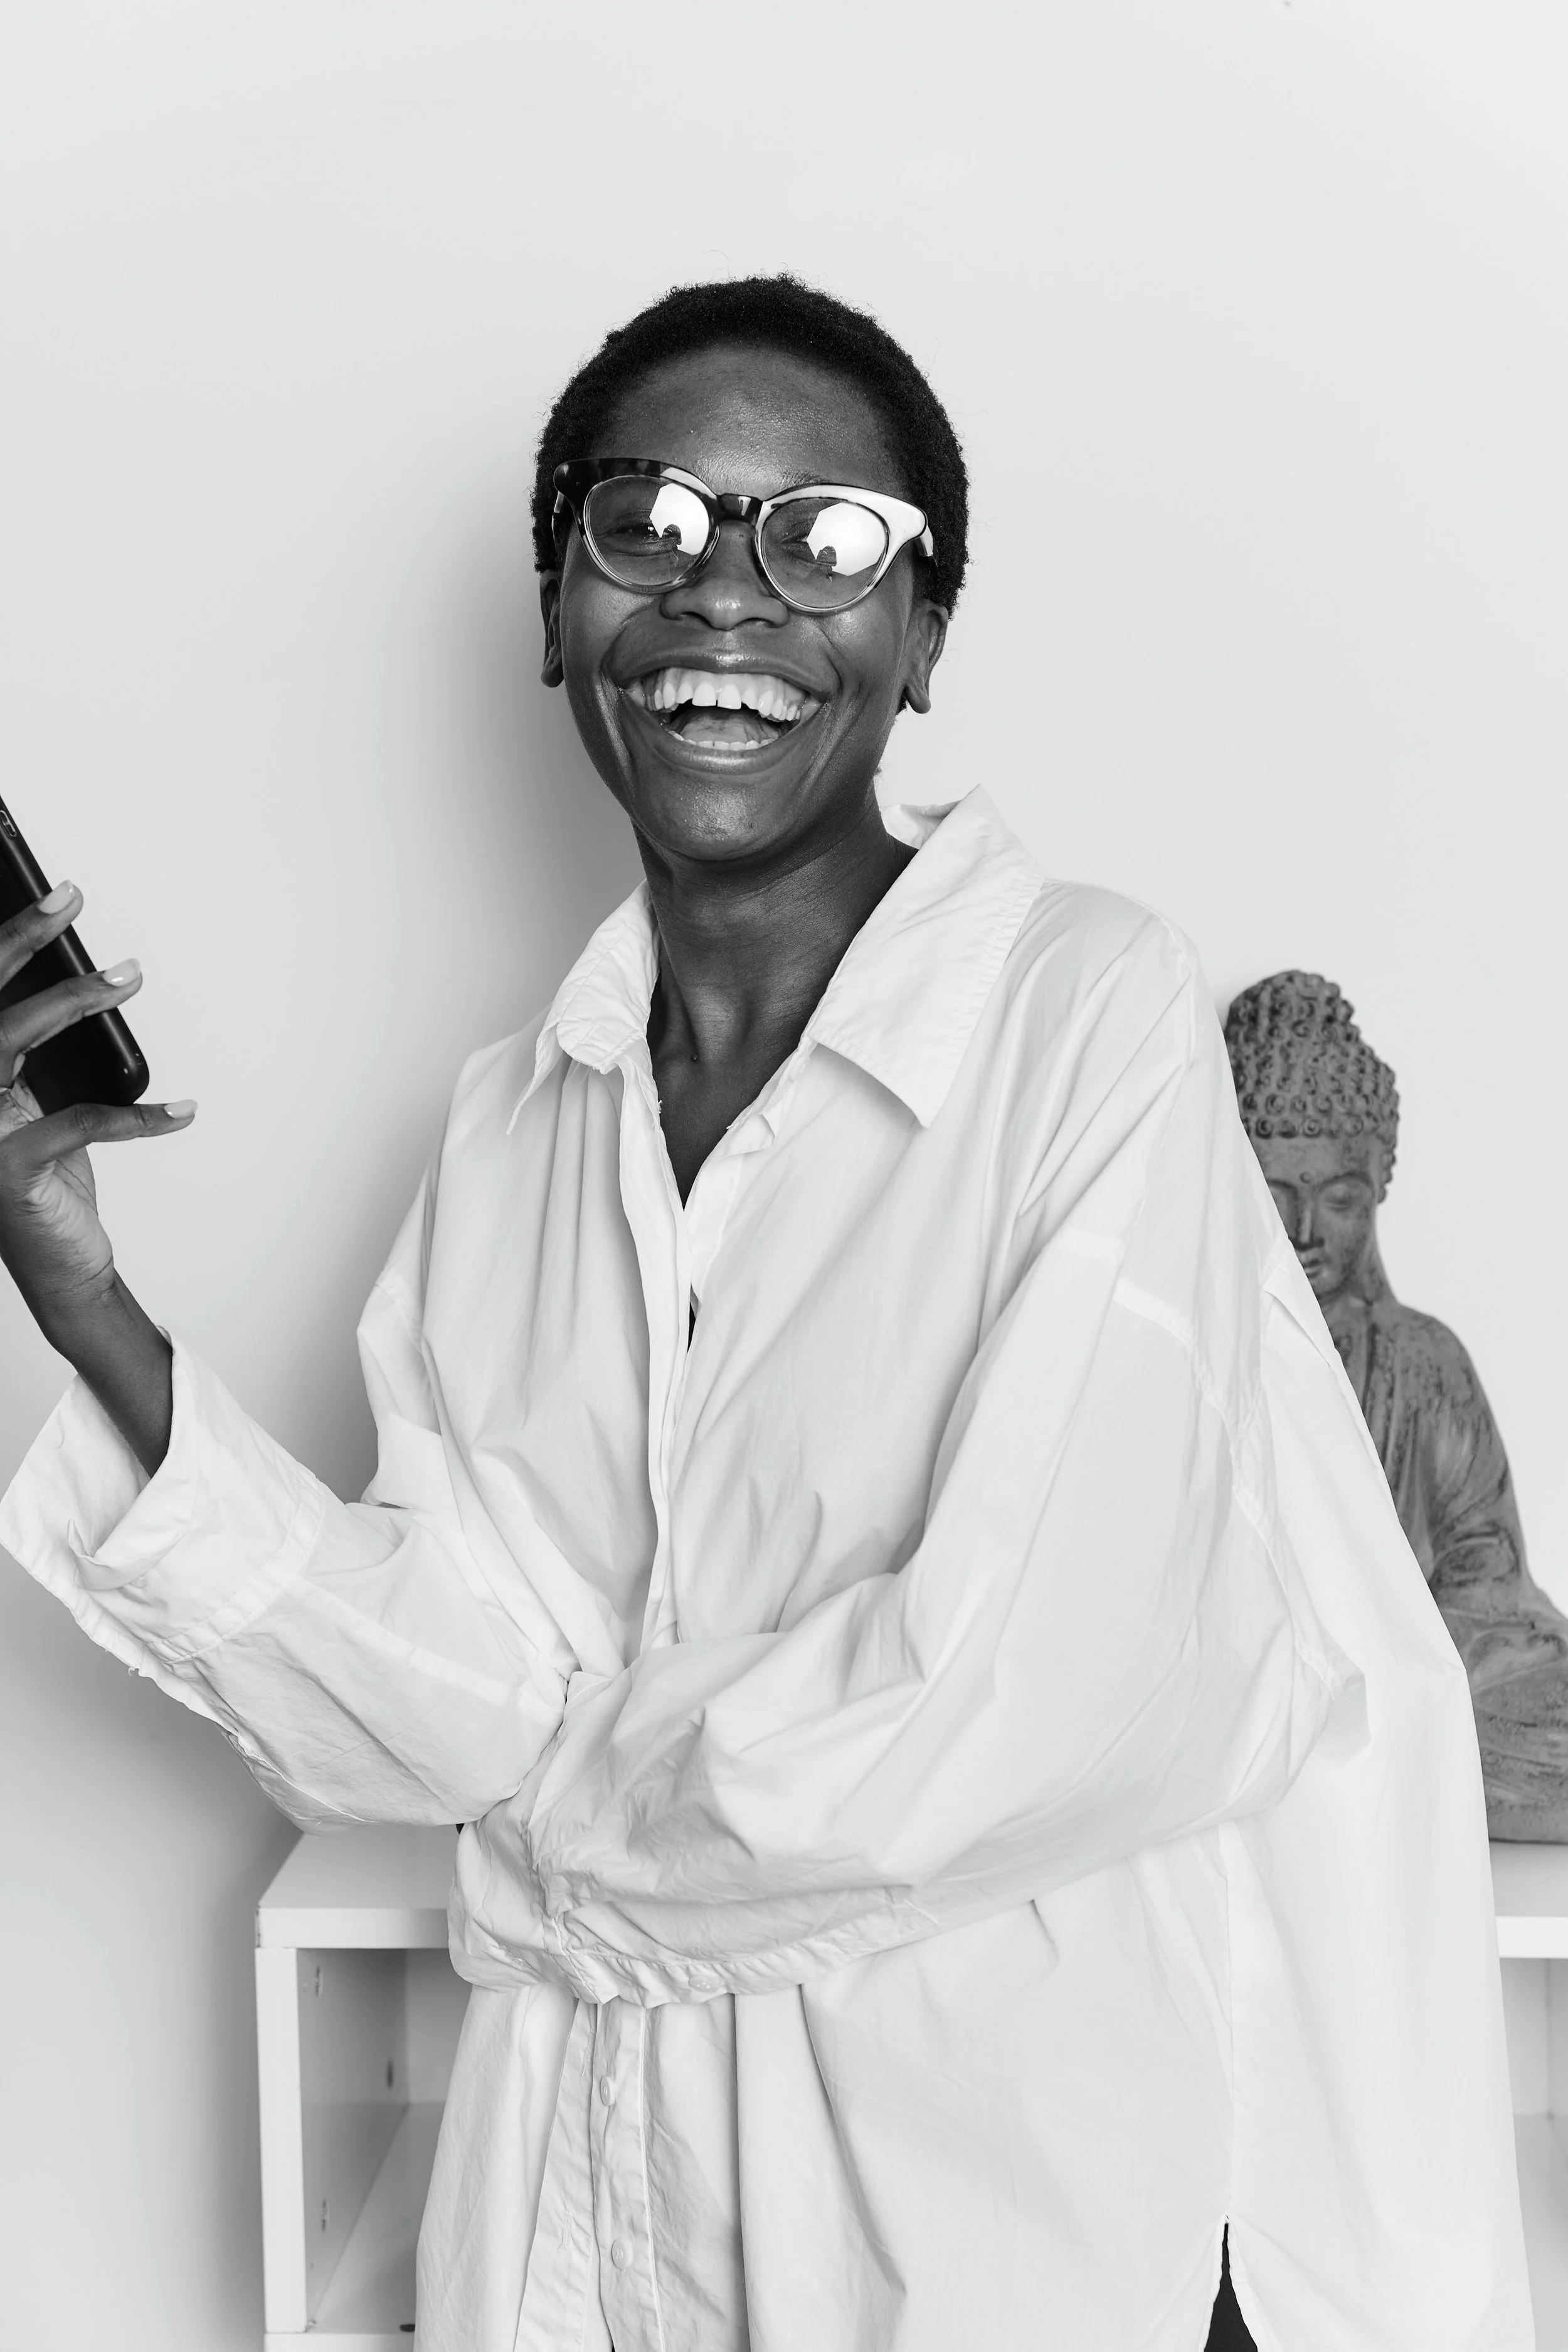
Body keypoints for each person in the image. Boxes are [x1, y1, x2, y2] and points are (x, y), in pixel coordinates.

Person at [0, 277, 1531, 2351]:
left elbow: (1014, 1701)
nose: (725, 591)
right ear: (559, 615)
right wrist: (78, 1287)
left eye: (826, 537)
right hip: (605, 2216)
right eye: (644, 522)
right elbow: (445, 1696)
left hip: (1010, 2237)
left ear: (923, 638)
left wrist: (531, 1829)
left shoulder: (1090, 1013)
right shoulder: (514, 1128)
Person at [1228, 967, 1568, 1840]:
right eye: (1275, 1195)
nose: (1307, 1232)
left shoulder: (1423, 1360)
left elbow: (1490, 1575)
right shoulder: (1203, 1352)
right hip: (1257, 1677)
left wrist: (1406, 1653)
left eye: (1338, 1199)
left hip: (1421, 1672)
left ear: (1376, 1190)